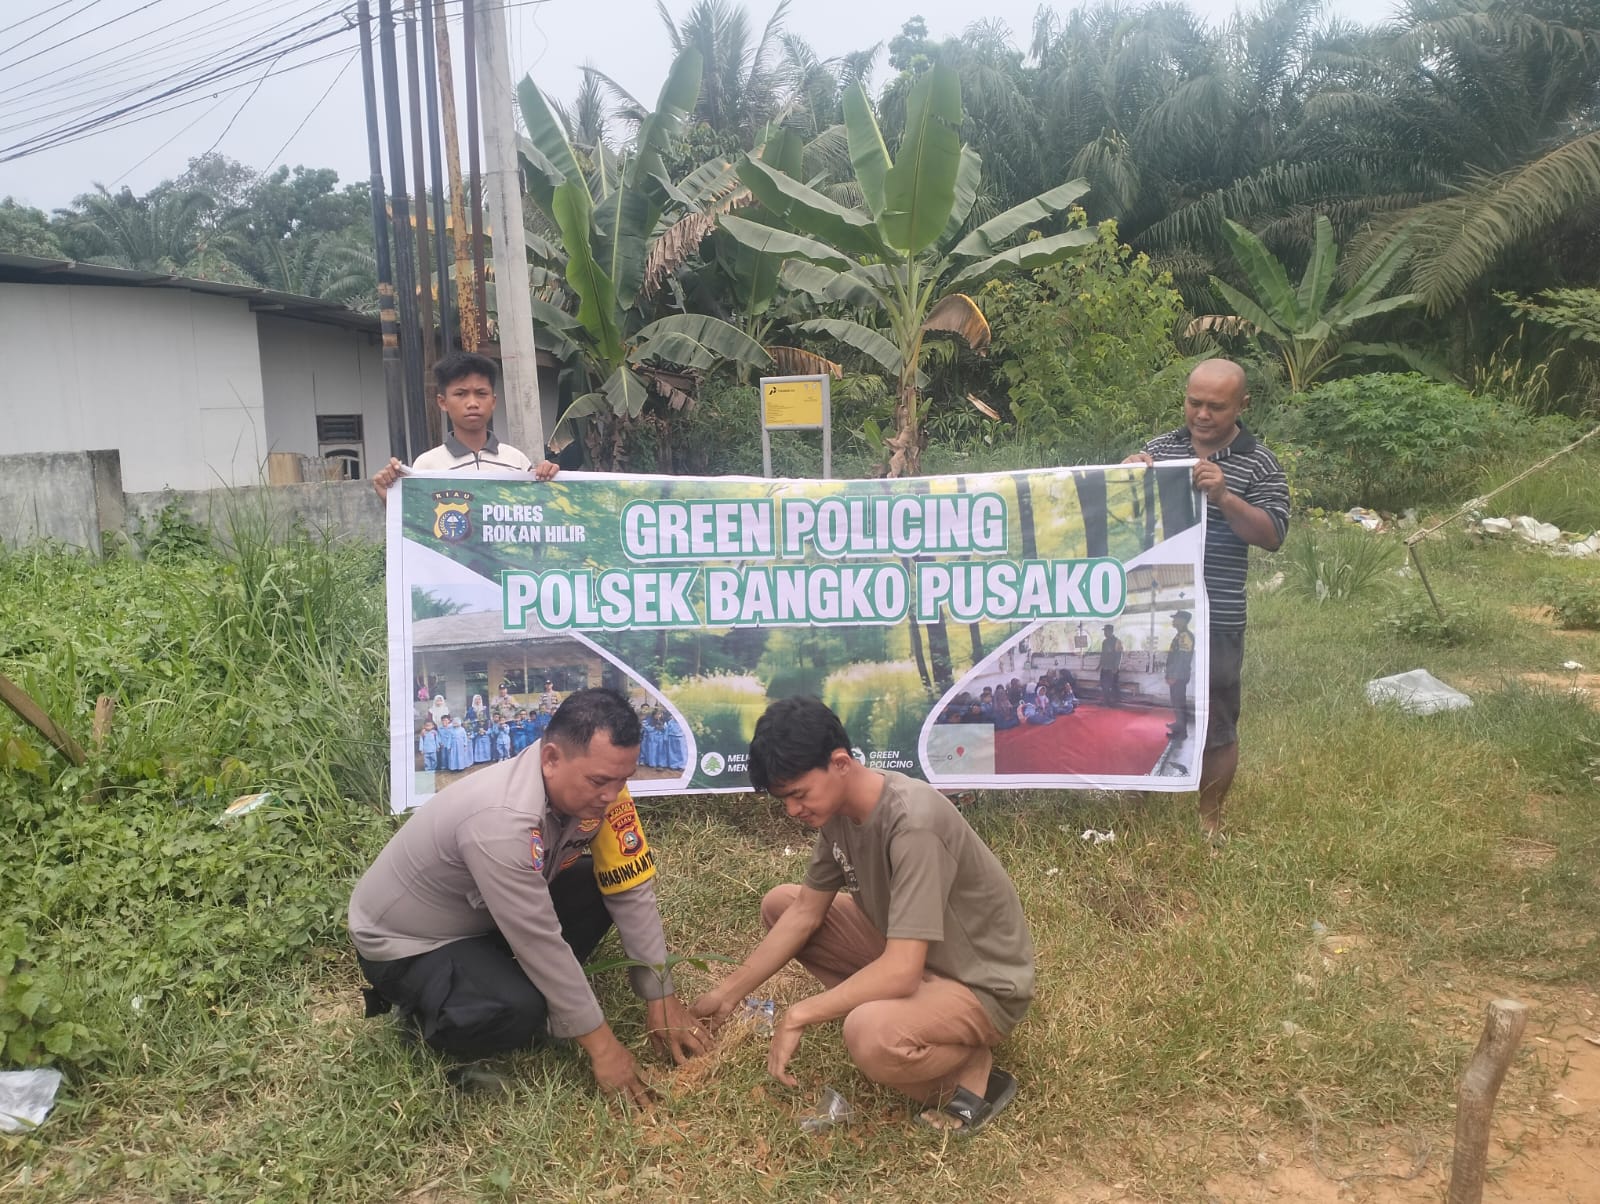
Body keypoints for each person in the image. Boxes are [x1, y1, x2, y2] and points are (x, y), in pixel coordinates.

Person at [691, 697, 1034, 1134]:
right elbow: (804, 915)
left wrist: (800, 1014)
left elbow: (902, 971)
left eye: (798, 794)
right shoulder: (840, 813)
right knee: (780, 905)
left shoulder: (913, 823)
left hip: (982, 983)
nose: (793, 810)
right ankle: (911, 1018)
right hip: (919, 953)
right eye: (784, 799)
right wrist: (726, 994)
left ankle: (969, 1073)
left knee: (869, 1035)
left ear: (840, 763)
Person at [349, 689, 708, 1102]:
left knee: (598, 883)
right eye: (600, 781)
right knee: (521, 1009)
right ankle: (430, 1020)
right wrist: (605, 1049)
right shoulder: (500, 820)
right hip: (407, 941)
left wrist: (660, 997)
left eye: (623, 779)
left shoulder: (604, 792)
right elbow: (538, 939)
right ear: (551, 758)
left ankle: (496, 978)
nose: (611, 795)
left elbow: (630, 886)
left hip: (481, 915)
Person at [1124, 358, 1289, 838]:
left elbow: (1273, 534)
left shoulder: (1259, 462)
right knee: (1150, 711)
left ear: (1242, 405)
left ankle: (1210, 819)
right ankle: (1136, 802)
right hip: (1152, 612)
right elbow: (1121, 519)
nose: (1201, 414)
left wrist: (1225, 497)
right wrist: (1129, 476)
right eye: (1194, 402)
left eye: (1216, 406)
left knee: (1216, 717)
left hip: (1216, 614)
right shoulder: (1160, 449)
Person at [370, 351, 560, 502]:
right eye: (461, 394)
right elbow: (419, 524)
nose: (472, 403)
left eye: (481, 393)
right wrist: (391, 500)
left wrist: (551, 479)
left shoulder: (517, 461)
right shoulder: (426, 466)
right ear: (442, 402)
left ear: (493, 402)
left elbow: (535, 515)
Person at [1165, 611, 1197, 739]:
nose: (1173, 621)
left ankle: (1182, 732)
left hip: (1179, 676)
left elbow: (1182, 659)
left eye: (1176, 619)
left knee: (1179, 702)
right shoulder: (1180, 635)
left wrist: (1174, 676)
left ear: (1183, 621)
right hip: (1176, 675)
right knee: (1176, 702)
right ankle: (1179, 724)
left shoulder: (1185, 636)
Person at [1098, 625, 1123, 707]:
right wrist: (1099, 665)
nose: (1104, 633)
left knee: (1113, 685)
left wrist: (1116, 667)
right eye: (1104, 631)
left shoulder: (1117, 641)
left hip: (1112, 668)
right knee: (1103, 685)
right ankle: (1106, 701)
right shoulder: (1104, 642)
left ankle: (1114, 703)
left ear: (1111, 631)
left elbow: (1119, 655)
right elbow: (1103, 655)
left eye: (1106, 631)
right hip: (1104, 667)